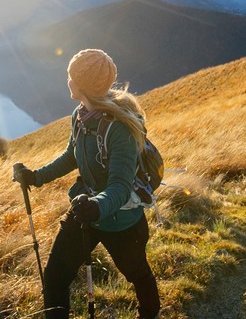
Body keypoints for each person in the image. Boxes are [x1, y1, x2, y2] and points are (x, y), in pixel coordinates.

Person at [13, 49, 160, 319]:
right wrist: (36, 177)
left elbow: (120, 186)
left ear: (82, 84)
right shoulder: (80, 115)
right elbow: (72, 155)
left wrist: (96, 206)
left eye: (71, 76)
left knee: (137, 273)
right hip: (85, 212)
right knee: (55, 277)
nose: (67, 80)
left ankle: (149, 314)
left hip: (121, 222)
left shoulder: (119, 130)